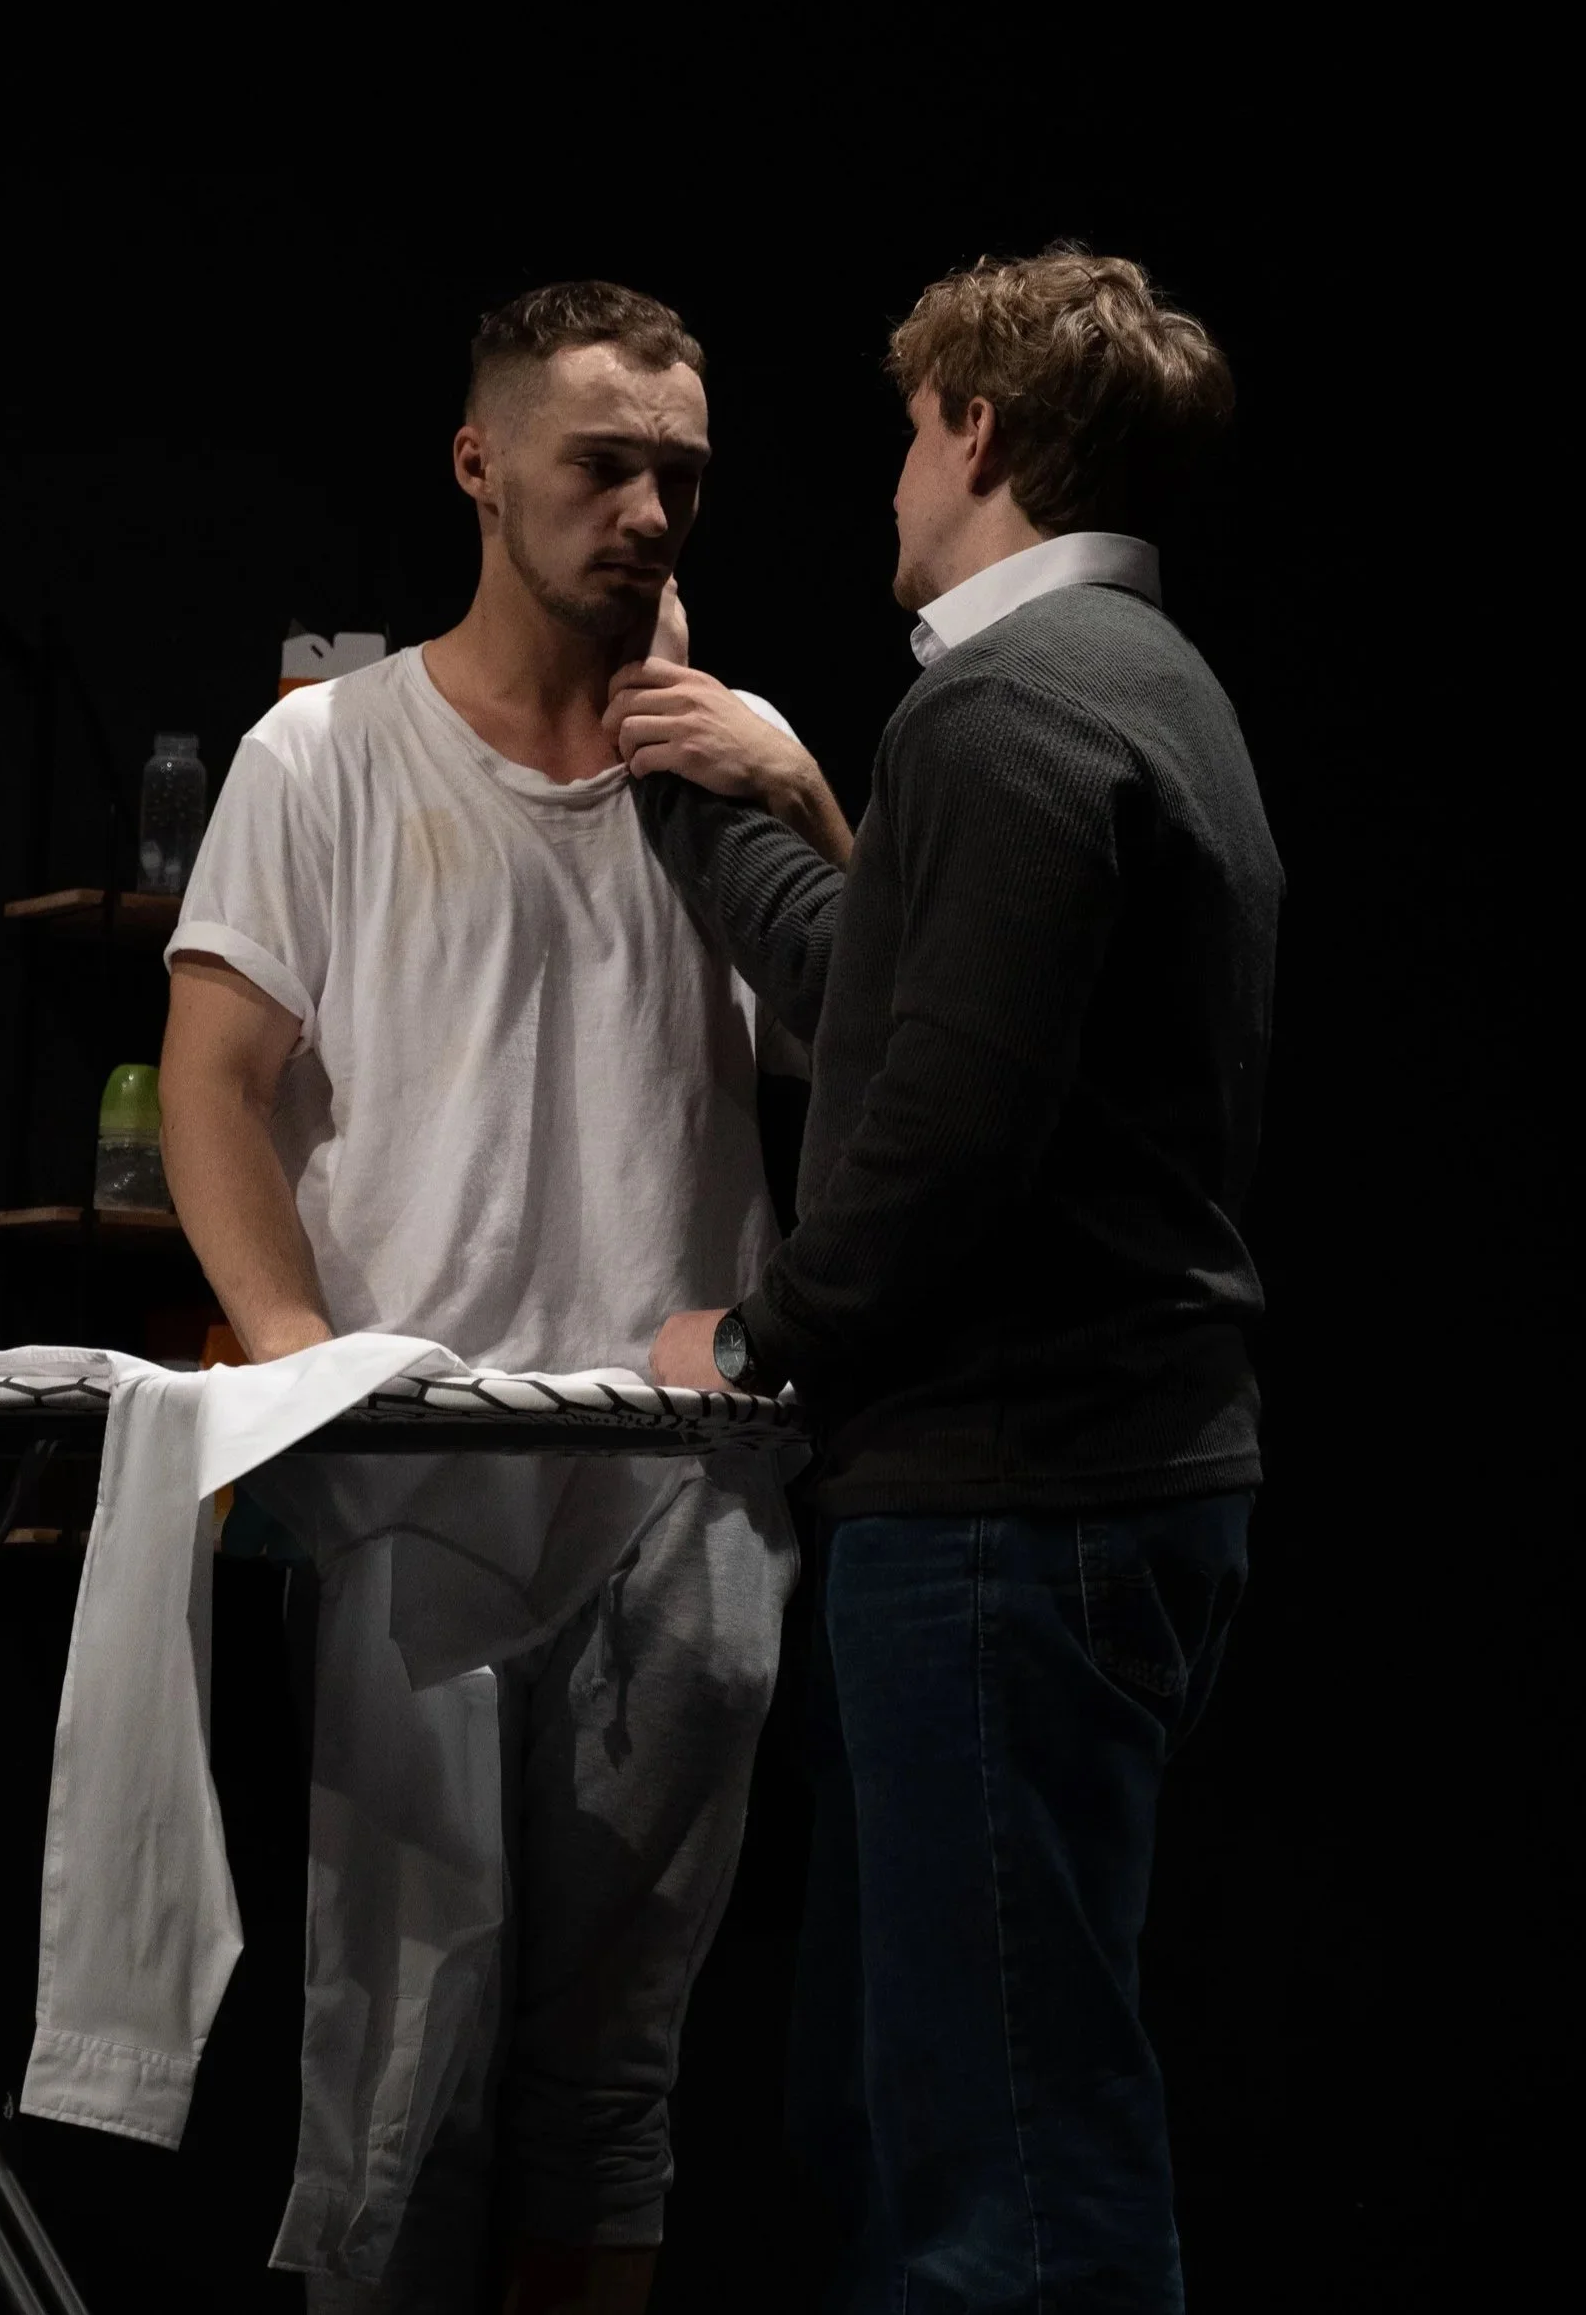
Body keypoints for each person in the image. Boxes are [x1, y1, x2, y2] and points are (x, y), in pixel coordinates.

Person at [609, 247, 1279, 2314]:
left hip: (1013, 1506)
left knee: (1004, 2170)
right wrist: (692, 790)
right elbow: (894, 1011)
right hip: (1097, 1492)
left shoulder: (1009, 708)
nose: (890, 478)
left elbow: (934, 1147)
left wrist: (759, 1335)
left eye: (910, 431)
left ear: (976, 434)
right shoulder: (1136, 691)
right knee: (940, 2121)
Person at [159, 279, 831, 2315]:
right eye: (603, 465)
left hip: (671, 1479)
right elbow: (213, 1074)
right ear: (480, 465)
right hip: (417, 1478)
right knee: (395, 2084)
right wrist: (286, 1346)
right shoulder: (324, 755)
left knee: (605, 2076)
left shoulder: (713, 773)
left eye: (682, 479)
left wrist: (800, 800)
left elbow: (899, 1062)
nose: (648, 515)